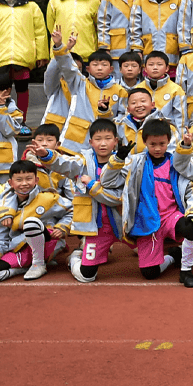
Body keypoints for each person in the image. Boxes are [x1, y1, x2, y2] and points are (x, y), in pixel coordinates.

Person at [118, 119, 193, 286]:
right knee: (150, 273)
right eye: (153, 144)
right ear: (144, 142)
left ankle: (186, 271)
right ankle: (173, 257)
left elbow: (190, 189)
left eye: (162, 144)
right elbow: (110, 180)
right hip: (147, 220)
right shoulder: (134, 162)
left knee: (191, 227)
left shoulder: (175, 164)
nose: (157, 148)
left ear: (169, 141)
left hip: (171, 216)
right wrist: (117, 160)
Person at [59, 118, 127, 281]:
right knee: (87, 276)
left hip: (125, 224)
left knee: (151, 268)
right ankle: (75, 258)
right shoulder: (82, 162)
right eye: (98, 139)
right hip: (98, 229)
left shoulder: (125, 163)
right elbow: (62, 164)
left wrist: (92, 185)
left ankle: (172, 257)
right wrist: (47, 155)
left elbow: (118, 198)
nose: (103, 143)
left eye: (108, 138)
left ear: (115, 141)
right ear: (90, 142)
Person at [0, 159, 71, 281]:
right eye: (19, 180)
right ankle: (26, 267)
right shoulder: (3, 208)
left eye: (29, 179)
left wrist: (62, 227)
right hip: (19, 247)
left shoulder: (48, 199)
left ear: (36, 180)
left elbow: (72, 210)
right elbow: (0, 237)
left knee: (31, 223)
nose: (24, 183)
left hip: (47, 243)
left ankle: (38, 264)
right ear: (11, 183)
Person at [133, 0, 184, 64]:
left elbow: (183, 26)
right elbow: (135, 27)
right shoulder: (141, 0)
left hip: (172, 57)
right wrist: (136, 49)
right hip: (148, 54)